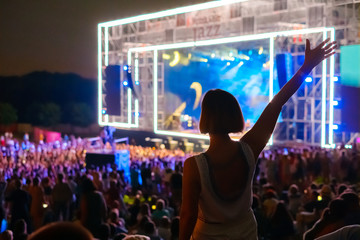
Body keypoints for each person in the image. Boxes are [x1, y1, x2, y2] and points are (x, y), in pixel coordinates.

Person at [180, 38, 336, 240]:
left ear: (205, 118)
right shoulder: (249, 149)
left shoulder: (194, 166)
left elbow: (188, 215)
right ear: (234, 114)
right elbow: (277, 104)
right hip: (246, 233)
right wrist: (306, 67)